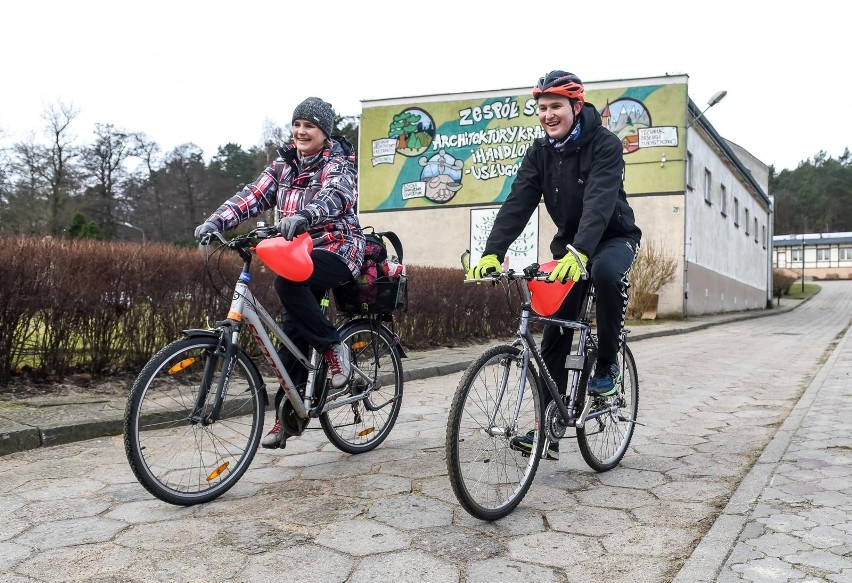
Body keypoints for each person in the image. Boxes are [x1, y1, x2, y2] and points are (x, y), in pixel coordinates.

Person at [468, 71, 642, 460]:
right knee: (555, 331)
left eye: (556, 106)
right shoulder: (540, 153)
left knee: (606, 274)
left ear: (576, 107)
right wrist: (492, 252)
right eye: (542, 108)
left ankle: (609, 366)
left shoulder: (605, 144)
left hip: (613, 237)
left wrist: (581, 252)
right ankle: (548, 427)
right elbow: (518, 203)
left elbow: (599, 200)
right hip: (570, 247)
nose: (548, 114)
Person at [195, 96, 365, 449]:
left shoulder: (338, 162)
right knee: (291, 330)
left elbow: (336, 195)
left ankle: (334, 348)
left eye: (310, 126)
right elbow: (252, 197)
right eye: (298, 124)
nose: (302, 131)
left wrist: (305, 216)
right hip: (296, 253)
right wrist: (215, 222)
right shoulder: (283, 166)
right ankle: (287, 416)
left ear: (324, 133)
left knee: (287, 284)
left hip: (336, 249)